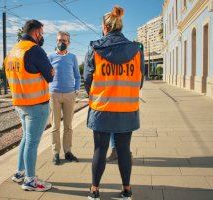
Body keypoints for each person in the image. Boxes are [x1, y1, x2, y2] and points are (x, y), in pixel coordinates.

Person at [84, 5, 144, 200]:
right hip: (127, 108)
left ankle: (94, 191)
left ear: (105, 27)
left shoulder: (95, 49)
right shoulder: (136, 50)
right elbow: (140, 80)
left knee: (100, 150)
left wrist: (97, 95)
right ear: (120, 26)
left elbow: (87, 80)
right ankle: (127, 190)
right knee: (124, 150)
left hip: (102, 108)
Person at [4, 19, 54, 192]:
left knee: (25, 139)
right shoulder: (35, 50)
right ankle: (30, 180)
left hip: (20, 103)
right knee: (32, 142)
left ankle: (20, 172)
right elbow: (50, 75)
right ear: (36, 32)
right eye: (42, 33)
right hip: (37, 105)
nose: (42, 37)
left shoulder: (12, 52)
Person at [48, 31, 81, 165]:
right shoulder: (50, 57)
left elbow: (77, 76)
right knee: (55, 126)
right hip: (54, 94)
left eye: (64, 41)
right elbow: (46, 75)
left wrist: (76, 90)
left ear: (69, 43)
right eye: (60, 40)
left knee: (68, 126)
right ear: (56, 41)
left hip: (69, 94)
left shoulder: (73, 57)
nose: (62, 43)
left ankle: (68, 151)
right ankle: (55, 153)